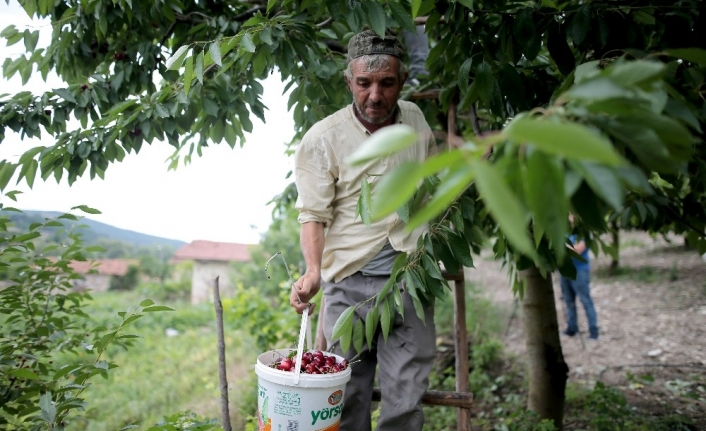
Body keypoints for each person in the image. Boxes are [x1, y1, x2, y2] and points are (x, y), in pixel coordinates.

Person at [290, 30, 437, 431]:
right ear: (348, 81)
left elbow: (431, 182)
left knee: (406, 397)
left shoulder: (416, 120)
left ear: (402, 82)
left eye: (386, 83)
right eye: (364, 83)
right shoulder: (323, 139)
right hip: (348, 287)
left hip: (409, 282)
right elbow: (312, 215)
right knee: (347, 396)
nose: (375, 95)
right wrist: (313, 271)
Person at [560, 214, 599, 340]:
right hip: (565, 271)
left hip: (580, 271)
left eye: (573, 214)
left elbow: (577, 250)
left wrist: (560, 246)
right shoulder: (564, 231)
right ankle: (572, 328)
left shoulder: (584, 232)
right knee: (568, 301)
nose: (570, 217)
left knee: (585, 300)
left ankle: (593, 331)